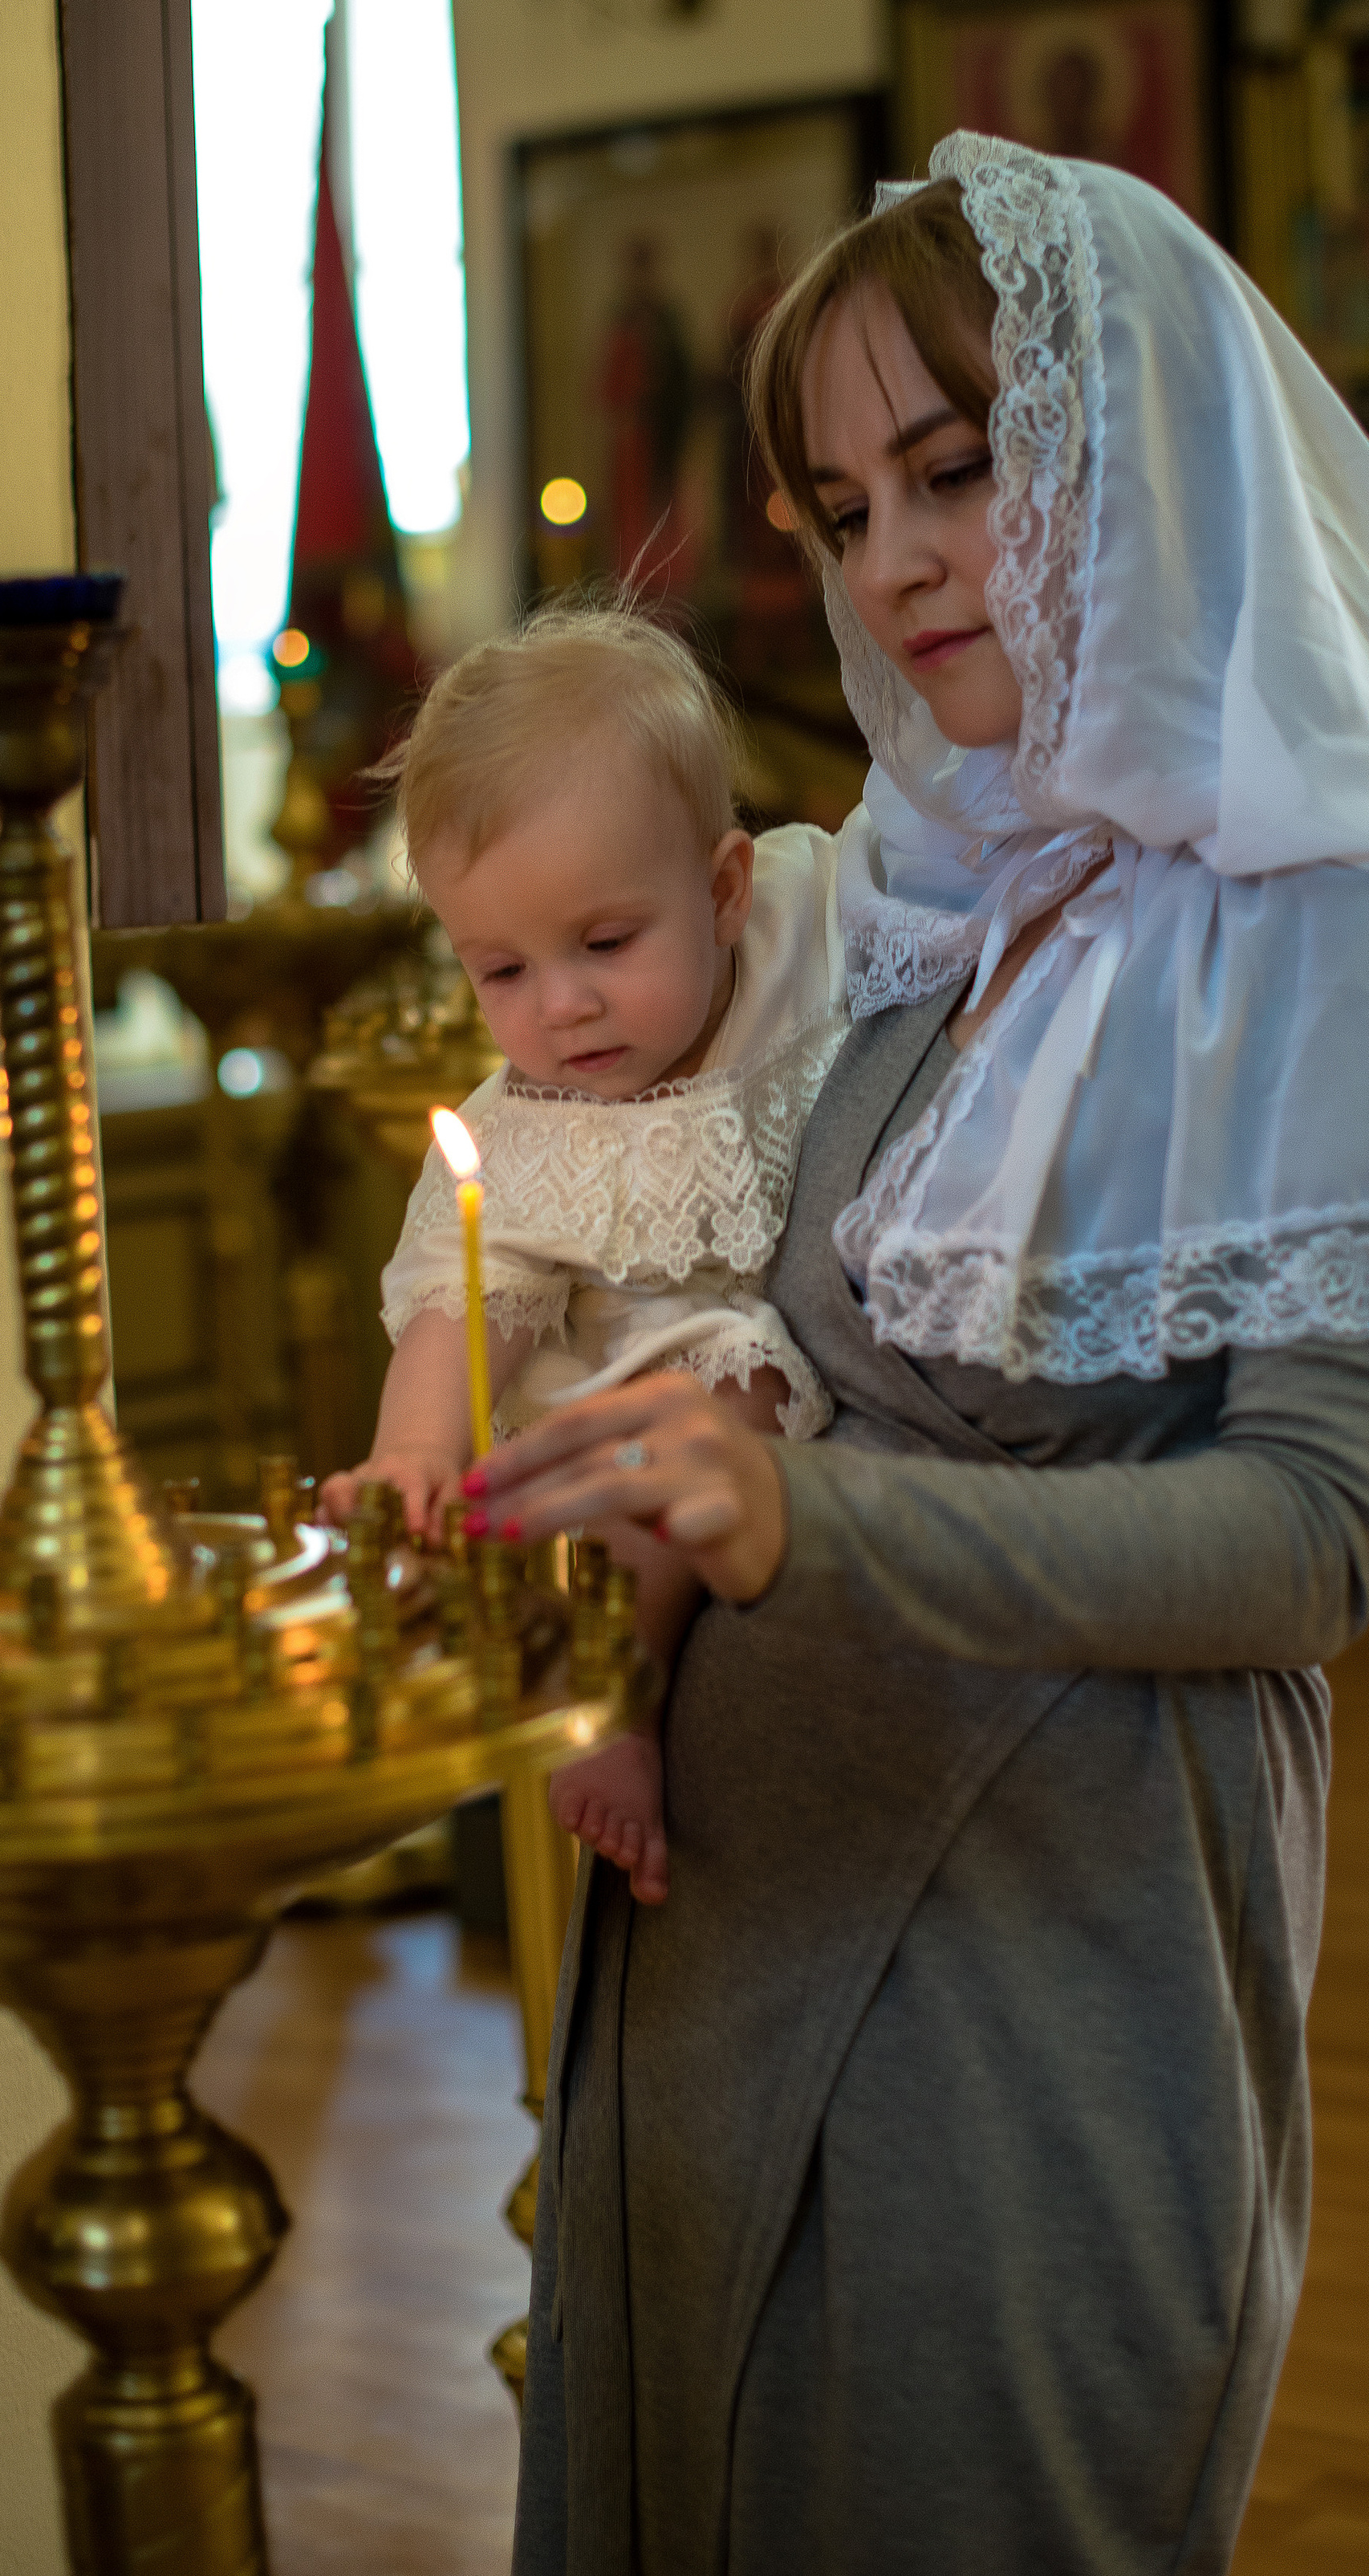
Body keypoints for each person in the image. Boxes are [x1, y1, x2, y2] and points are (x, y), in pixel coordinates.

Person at [469, 134, 1369, 2575]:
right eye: (836, 502)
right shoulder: (920, 885)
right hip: (722, 1920)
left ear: (1142, 438)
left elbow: (1317, 1535)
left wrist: (804, 1509)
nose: (891, 562)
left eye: (958, 464)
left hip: (1041, 1963)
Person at [331, 601, 847, 1902]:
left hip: (795, 1411)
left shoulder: (806, 920)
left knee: (734, 1389)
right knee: (714, 1392)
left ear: (726, 890)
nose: (559, 1006)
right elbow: (467, 1299)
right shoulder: (528, 1125)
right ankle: (616, 1693)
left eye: (606, 944)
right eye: (498, 970)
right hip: (609, 1411)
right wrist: (415, 1456)